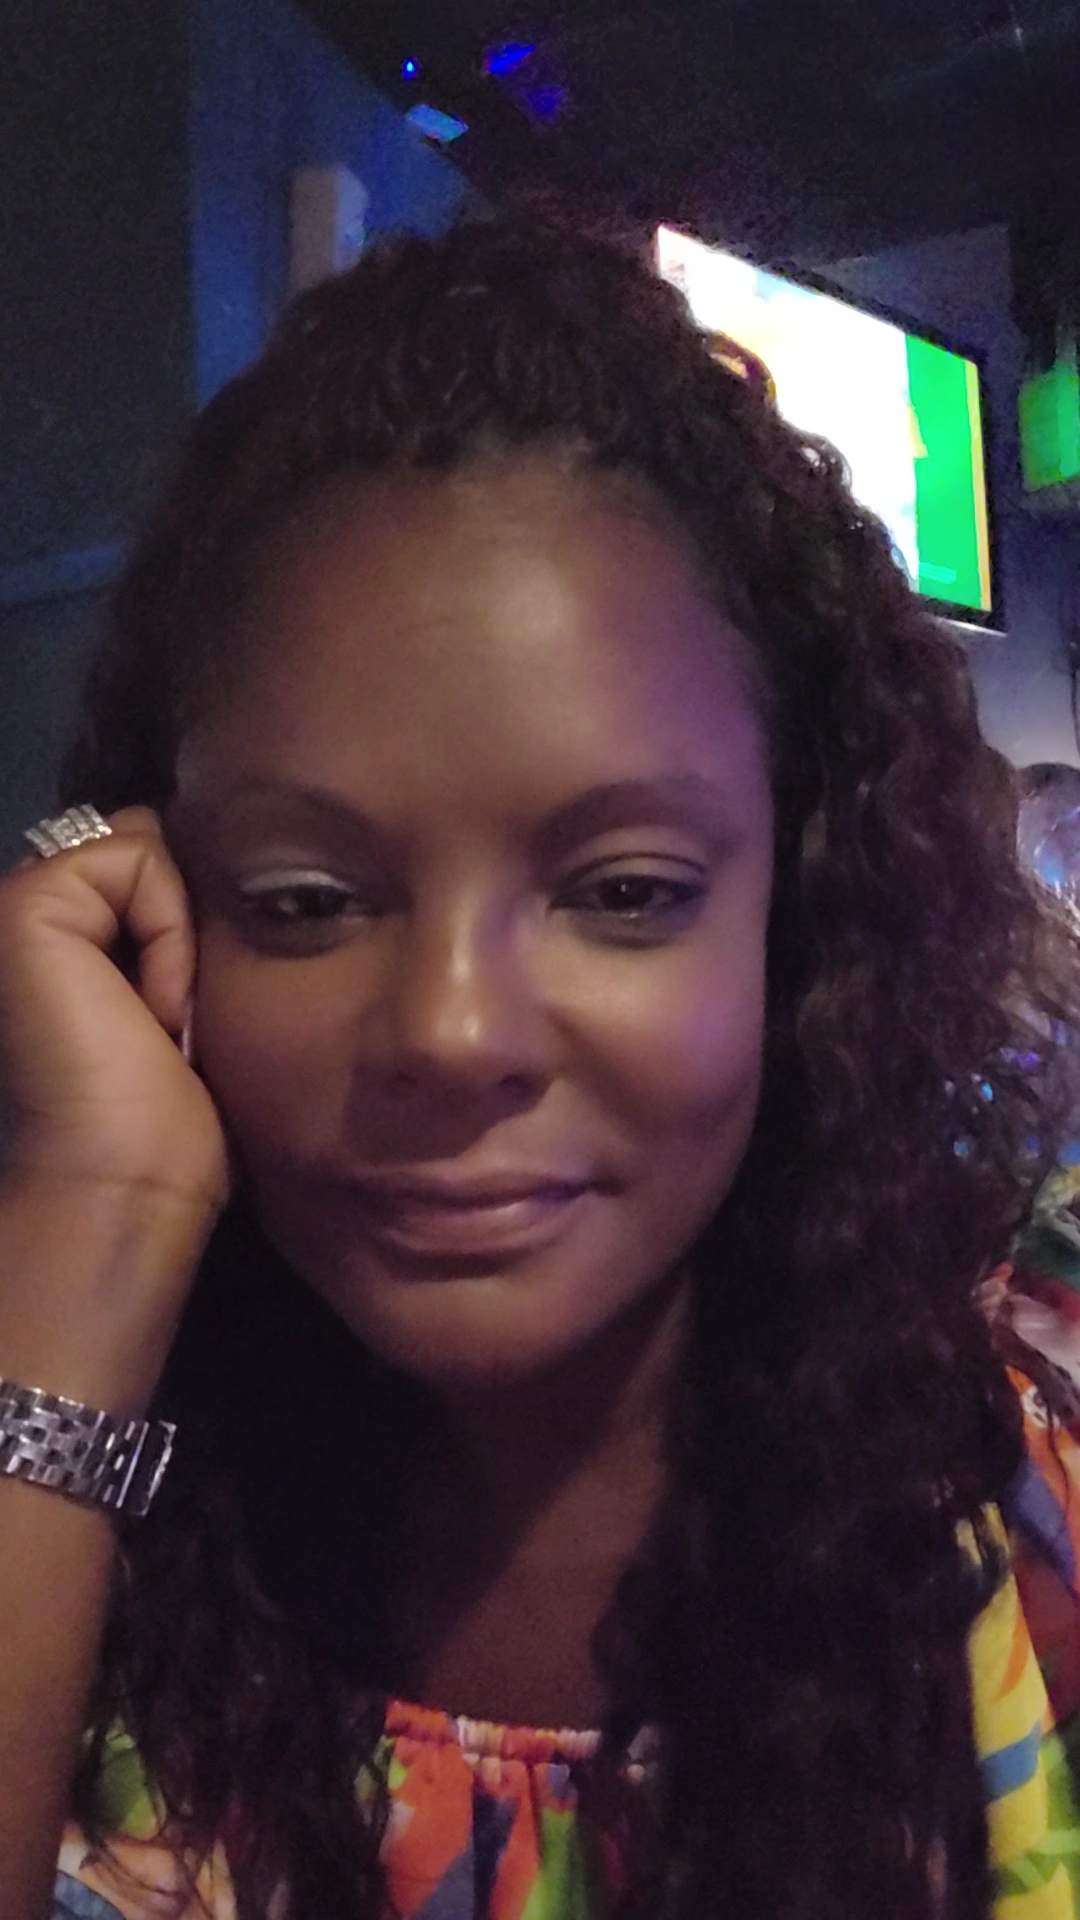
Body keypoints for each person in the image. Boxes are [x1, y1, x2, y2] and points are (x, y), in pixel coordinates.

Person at [0, 211, 1077, 1920]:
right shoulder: (82, 1521)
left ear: (795, 912)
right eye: (303, 901)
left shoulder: (1022, 1509)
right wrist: (94, 1212)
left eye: (624, 892)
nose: (453, 1031)